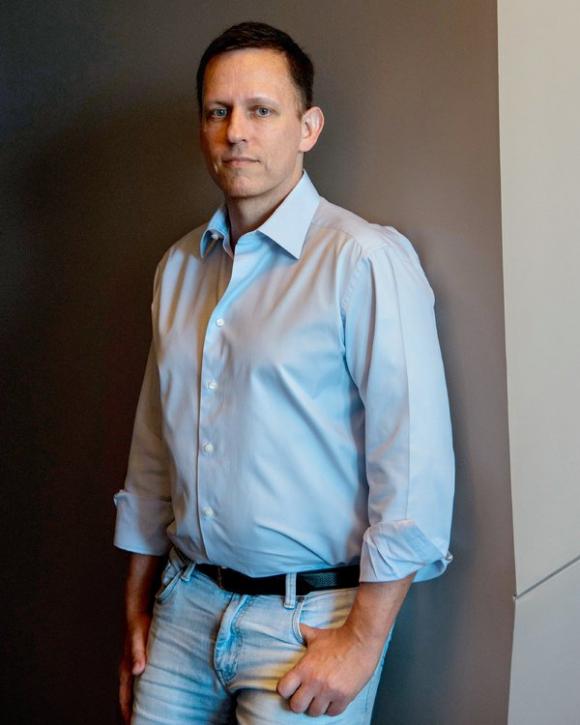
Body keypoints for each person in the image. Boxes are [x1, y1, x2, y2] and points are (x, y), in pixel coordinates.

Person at [113, 20, 454, 725]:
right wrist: (137, 606)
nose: (236, 132)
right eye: (218, 111)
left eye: (261, 110)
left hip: (308, 625)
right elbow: (153, 455)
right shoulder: (178, 268)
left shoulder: (362, 261)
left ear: (308, 127)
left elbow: (414, 469)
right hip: (182, 608)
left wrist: (361, 644)